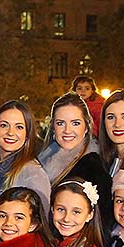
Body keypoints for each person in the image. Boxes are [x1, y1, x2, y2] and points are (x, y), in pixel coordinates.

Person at [38, 93, 111, 223]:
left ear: (86, 127)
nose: (67, 130)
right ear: (53, 127)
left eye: (75, 123)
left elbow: (102, 223)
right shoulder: (42, 158)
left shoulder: (92, 167)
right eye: (60, 123)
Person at [0, 100, 51, 214]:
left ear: (27, 133)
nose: (10, 132)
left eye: (19, 127)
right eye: (4, 125)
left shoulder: (33, 173)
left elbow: (40, 220)